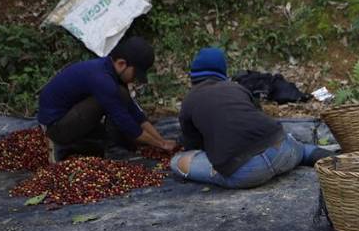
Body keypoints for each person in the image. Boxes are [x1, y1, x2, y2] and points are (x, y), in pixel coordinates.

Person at [170, 47, 332, 188]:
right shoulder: (237, 88)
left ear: (192, 75)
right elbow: (256, 114)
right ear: (222, 73)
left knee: (178, 162)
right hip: (281, 152)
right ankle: (336, 160)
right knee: (301, 150)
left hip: (246, 173)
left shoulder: (189, 101)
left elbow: (192, 144)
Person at [37, 36, 176, 161]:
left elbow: (135, 112)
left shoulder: (110, 71)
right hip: (56, 127)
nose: (135, 79)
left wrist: (160, 139)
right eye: (135, 74)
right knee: (113, 103)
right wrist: (160, 145)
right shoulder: (102, 80)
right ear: (122, 64)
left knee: (119, 100)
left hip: (71, 116)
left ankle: (90, 143)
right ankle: (109, 151)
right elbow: (125, 121)